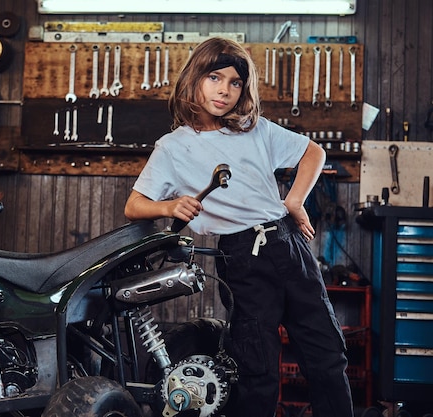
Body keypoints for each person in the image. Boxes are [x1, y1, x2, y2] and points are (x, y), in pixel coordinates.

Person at [124, 37, 353, 417]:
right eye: (215, 77)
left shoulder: (255, 129)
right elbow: (134, 205)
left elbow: (313, 152)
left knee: (326, 352)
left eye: (235, 83)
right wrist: (169, 204)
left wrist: (293, 201)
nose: (225, 90)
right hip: (242, 257)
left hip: (288, 245)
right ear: (194, 78)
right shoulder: (173, 147)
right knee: (256, 365)